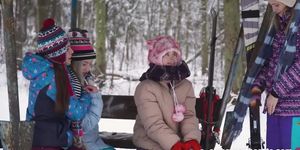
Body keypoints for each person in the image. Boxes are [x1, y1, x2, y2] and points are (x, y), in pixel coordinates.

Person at [22, 18, 91, 150]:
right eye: (67, 49)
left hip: (39, 140)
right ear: (57, 52)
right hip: (50, 143)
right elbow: (76, 112)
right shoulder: (53, 77)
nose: (71, 52)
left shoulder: (41, 73)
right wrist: (86, 95)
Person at [133, 35, 201, 150]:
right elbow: (153, 123)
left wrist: (191, 139)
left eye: (174, 54)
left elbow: (189, 116)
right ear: (155, 57)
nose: (171, 58)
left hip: (180, 141)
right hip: (150, 143)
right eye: (166, 54)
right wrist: (173, 143)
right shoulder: (146, 87)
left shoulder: (186, 85)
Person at [249, 0, 300, 149]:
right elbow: (271, 64)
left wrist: (277, 92)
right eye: (271, 5)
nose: (273, 9)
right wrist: (257, 88)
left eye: (277, 5)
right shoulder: (278, 29)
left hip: (294, 109)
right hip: (275, 108)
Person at [68, 28, 115, 150]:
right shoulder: (71, 86)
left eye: (90, 64)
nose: (88, 69)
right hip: (82, 145)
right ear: (73, 63)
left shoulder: (85, 81)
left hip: (92, 141)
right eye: (84, 64)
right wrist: (95, 96)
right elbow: (86, 124)